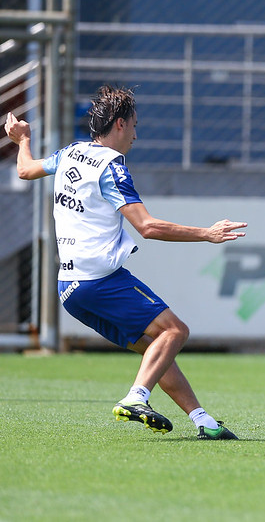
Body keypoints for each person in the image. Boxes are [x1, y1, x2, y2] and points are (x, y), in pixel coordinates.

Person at [5, 84, 247, 440]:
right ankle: (136, 398)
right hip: (100, 280)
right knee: (176, 331)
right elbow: (147, 227)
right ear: (119, 124)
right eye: (134, 124)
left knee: (157, 349)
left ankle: (203, 421)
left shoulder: (72, 153)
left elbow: (25, 171)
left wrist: (22, 139)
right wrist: (207, 233)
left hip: (70, 289)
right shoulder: (112, 167)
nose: (136, 133)